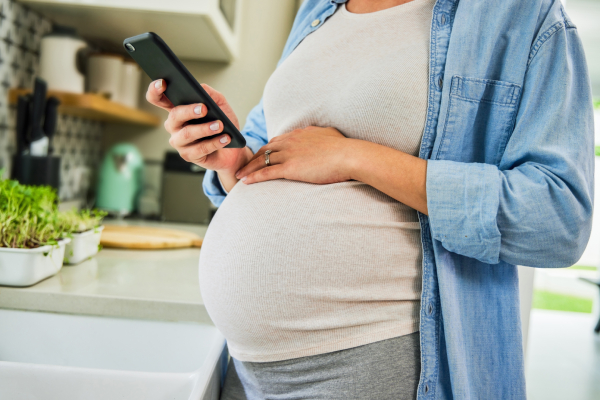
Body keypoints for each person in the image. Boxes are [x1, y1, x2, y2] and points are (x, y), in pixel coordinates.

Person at [145, 0, 595, 398]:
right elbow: (270, 160)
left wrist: (353, 156)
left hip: (375, 363)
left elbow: (558, 217)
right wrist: (230, 159)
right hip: (247, 371)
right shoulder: (316, 12)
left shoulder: (523, 16)